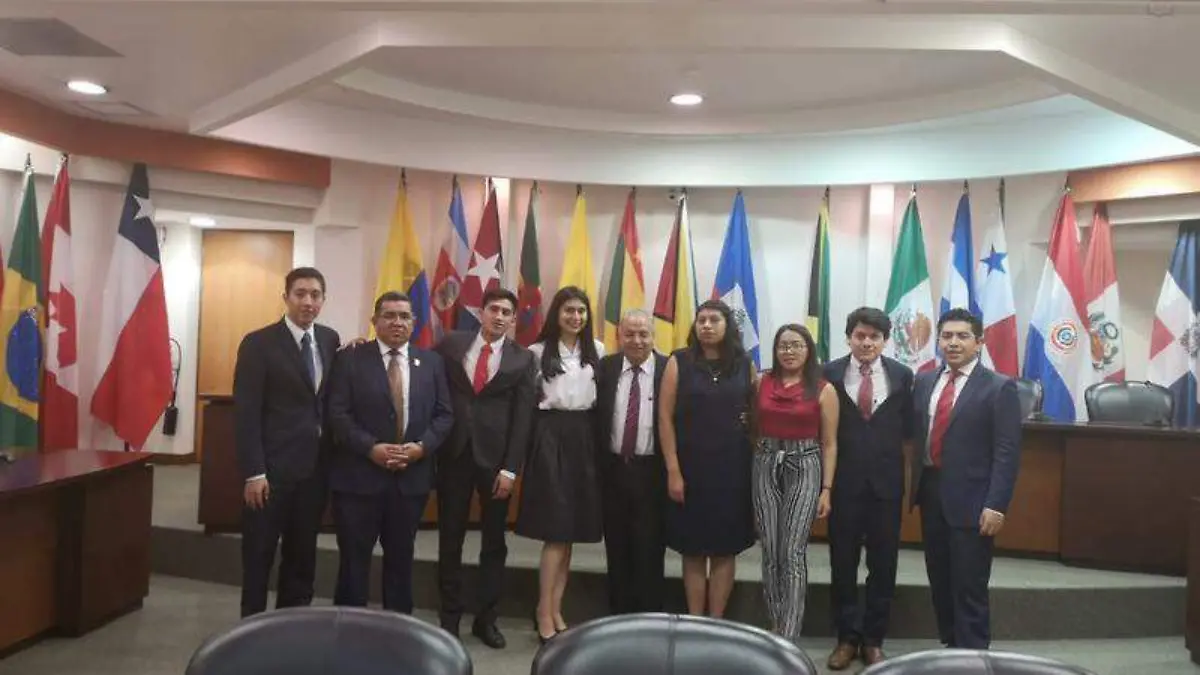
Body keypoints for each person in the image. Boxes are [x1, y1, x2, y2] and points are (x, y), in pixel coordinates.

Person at [326, 291, 454, 613]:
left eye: (404, 316)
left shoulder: (432, 362)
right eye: (389, 315)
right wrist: (371, 448)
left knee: (401, 560)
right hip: (358, 480)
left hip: (410, 481)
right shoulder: (350, 359)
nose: (397, 322)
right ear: (374, 321)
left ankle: (398, 628)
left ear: (414, 322)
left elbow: (444, 415)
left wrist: (421, 448)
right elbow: (338, 414)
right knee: (354, 562)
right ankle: (349, 627)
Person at [911, 307, 1021, 650]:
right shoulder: (925, 381)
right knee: (940, 578)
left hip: (974, 501)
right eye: (946, 336)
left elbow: (1007, 452)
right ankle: (951, 648)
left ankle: (972, 656)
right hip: (931, 492)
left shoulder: (999, 388)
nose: (953, 343)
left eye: (962, 336)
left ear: (979, 342)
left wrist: (996, 504)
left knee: (969, 584)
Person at [234, 267, 340, 618]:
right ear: (286, 297)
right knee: (259, 556)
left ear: (323, 300)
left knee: (302, 556)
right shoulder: (258, 344)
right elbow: (246, 413)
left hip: (313, 472)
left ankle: (292, 626)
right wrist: (254, 472)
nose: (308, 301)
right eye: (300, 294)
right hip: (270, 474)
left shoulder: (330, 340)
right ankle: (251, 629)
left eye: (315, 295)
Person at [434, 288, 537, 649]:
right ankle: (449, 619)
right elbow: (423, 371)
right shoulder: (451, 344)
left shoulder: (523, 359)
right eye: (494, 309)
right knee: (450, 539)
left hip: (496, 464)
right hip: (454, 455)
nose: (499, 316)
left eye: (507, 312)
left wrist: (511, 469)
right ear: (481, 312)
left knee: (494, 543)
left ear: (513, 320)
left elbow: (523, 418)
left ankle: (486, 619)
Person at [823, 307, 914, 669]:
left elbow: (908, 432)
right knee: (842, 564)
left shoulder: (902, 375)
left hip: (885, 487)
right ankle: (846, 638)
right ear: (849, 338)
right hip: (843, 484)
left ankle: (874, 640)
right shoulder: (828, 374)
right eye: (860, 335)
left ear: (885, 341)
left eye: (874, 337)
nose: (866, 343)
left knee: (884, 565)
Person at [515, 286, 605, 643]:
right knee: (555, 531)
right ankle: (542, 609)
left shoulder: (597, 350)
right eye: (569, 310)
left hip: (584, 438)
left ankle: (556, 608)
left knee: (569, 535)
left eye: (581, 311)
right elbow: (526, 405)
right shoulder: (537, 352)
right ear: (557, 314)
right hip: (550, 437)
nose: (576, 317)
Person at [659, 299, 756, 618]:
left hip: (733, 470)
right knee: (693, 549)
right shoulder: (679, 361)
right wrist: (673, 469)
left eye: (714, 320)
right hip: (691, 468)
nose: (707, 325)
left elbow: (756, 414)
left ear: (728, 325)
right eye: (701, 320)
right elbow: (664, 418)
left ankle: (716, 622)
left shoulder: (744, 364)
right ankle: (695, 619)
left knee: (725, 549)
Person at [752, 324, 838, 645]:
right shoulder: (761, 382)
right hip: (765, 462)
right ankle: (775, 623)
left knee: (792, 551)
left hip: (804, 465)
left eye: (796, 345)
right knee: (770, 548)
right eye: (783, 345)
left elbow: (829, 443)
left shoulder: (824, 389)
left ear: (808, 350)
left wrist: (826, 489)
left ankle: (789, 634)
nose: (789, 351)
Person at [595, 309, 669, 616]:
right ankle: (619, 617)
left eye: (643, 334)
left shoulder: (668, 369)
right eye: (629, 334)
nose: (637, 340)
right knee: (617, 548)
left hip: (653, 473)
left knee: (649, 549)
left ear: (653, 336)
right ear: (619, 336)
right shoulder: (605, 367)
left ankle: (648, 617)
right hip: (613, 470)